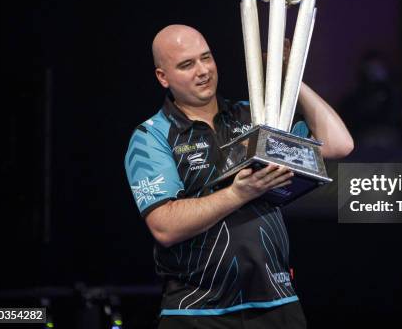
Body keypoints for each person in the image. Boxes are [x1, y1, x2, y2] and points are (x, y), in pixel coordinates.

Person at [124, 24, 353, 328]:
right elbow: (165, 226)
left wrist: (289, 73)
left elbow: (339, 143)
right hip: (196, 312)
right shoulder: (151, 137)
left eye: (206, 58)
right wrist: (238, 193)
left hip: (276, 303)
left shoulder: (255, 116)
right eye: (186, 64)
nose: (203, 70)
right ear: (163, 77)